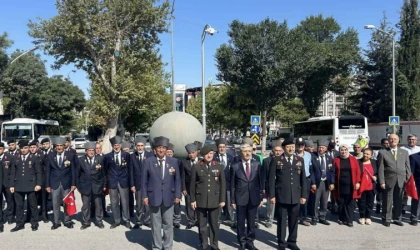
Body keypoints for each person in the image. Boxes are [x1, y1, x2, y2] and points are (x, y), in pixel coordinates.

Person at [142, 136, 181, 250]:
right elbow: (143, 180)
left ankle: (168, 246)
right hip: (153, 197)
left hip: (169, 197)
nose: (161, 150)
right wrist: (144, 196)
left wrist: (178, 195)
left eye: (163, 148)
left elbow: (177, 180)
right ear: (155, 149)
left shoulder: (174, 161)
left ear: (166, 149)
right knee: (156, 225)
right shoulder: (148, 162)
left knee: (168, 224)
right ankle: (157, 247)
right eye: (159, 147)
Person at [269, 138, 307, 250]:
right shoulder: (276, 160)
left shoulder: (299, 159)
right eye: (288, 147)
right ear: (283, 148)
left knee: (294, 221)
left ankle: (292, 242)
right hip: (281, 196)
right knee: (281, 221)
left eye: (292, 146)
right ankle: (281, 243)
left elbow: (303, 179)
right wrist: (272, 195)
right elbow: (271, 180)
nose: (290, 149)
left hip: (295, 196)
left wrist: (303, 195)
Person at [190, 145, 225, 250]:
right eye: (207, 154)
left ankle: (214, 245)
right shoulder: (197, 166)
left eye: (211, 153)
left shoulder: (218, 166)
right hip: (201, 200)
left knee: (214, 225)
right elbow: (192, 185)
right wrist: (192, 200)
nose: (209, 156)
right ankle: (204, 245)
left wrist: (222, 199)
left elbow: (223, 184)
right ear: (203, 155)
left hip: (214, 200)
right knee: (202, 225)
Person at [231, 142, 263, 250]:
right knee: (240, 221)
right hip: (240, 197)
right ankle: (242, 241)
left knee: (251, 221)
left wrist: (261, 198)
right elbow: (232, 185)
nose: (247, 153)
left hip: (253, 197)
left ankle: (250, 241)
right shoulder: (235, 166)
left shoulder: (257, 164)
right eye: (245, 151)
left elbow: (260, 182)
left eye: (249, 151)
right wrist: (232, 201)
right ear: (241, 153)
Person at [378, 134, 411, 227]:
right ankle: (386, 218)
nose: (393, 140)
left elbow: (408, 167)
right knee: (387, 200)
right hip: (388, 180)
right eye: (391, 139)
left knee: (399, 200)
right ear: (388, 140)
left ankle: (397, 218)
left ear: (398, 140)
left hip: (401, 180)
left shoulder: (404, 152)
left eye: (395, 139)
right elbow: (380, 168)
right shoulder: (383, 152)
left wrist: (408, 181)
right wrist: (382, 181)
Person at [9, 140, 42, 232]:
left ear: (28, 148)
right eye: (22, 148)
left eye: (26, 148)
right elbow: (12, 173)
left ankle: (34, 223)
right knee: (19, 206)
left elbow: (38, 172)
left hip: (31, 185)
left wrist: (38, 184)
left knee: (33, 205)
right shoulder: (16, 158)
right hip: (18, 185)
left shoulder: (34, 158)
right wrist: (11, 185)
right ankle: (19, 224)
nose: (24, 150)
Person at [45, 137, 77, 230]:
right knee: (55, 203)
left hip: (66, 183)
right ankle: (56, 222)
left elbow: (73, 171)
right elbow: (48, 171)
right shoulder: (51, 156)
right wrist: (47, 185)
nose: (59, 147)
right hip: (54, 183)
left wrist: (73, 183)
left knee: (66, 203)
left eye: (61, 146)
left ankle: (67, 221)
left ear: (64, 146)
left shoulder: (70, 155)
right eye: (57, 146)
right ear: (55, 147)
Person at [76, 142, 106, 229]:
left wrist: (104, 185)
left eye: (93, 150)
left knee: (98, 205)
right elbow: (77, 174)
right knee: (85, 206)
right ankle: (86, 222)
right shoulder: (81, 160)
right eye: (89, 150)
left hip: (97, 186)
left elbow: (103, 174)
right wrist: (79, 186)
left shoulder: (99, 159)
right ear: (86, 151)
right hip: (85, 186)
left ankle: (99, 221)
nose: (91, 152)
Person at [104, 135, 132, 229]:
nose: (116, 147)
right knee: (114, 202)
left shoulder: (126, 155)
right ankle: (116, 220)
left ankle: (126, 220)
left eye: (118, 145)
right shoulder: (107, 156)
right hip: (113, 182)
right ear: (112, 146)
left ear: (120, 145)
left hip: (124, 181)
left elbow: (129, 169)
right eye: (115, 145)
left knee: (125, 202)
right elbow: (105, 170)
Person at [333, 145, 361, 227]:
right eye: (342, 150)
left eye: (345, 150)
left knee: (350, 202)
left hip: (351, 185)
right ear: (339, 151)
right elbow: (333, 172)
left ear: (348, 150)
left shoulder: (353, 159)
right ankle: (341, 218)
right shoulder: (336, 160)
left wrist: (358, 182)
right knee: (341, 202)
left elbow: (358, 171)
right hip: (340, 185)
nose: (344, 151)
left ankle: (349, 220)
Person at [309, 139, 335, 226]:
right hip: (317, 182)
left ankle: (322, 217)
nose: (320, 149)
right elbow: (311, 171)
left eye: (322, 147)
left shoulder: (329, 158)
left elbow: (332, 172)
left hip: (326, 182)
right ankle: (314, 217)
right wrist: (312, 183)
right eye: (319, 147)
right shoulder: (313, 157)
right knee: (315, 201)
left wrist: (332, 182)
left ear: (326, 148)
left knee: (324, 201)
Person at [130, 136, 153, 229]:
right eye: (138, 146)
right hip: (138, 184)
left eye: (141, 145)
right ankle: (139, 221)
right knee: (139, 204)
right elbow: (130, 171)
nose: (140, 147)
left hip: (148, 184)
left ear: (145, 146)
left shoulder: (150, 155)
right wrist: (132, 185)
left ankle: (147, 220)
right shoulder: (132, 156)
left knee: (147, 204)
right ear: (135, 146)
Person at [213, 138, 235, 227]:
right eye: (220, 147)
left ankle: (230, 219)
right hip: (217, 184)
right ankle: (217, 219)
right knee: (218, 202)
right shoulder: (214, 158)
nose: (222, 149)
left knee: (229, 201)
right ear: (217, 148)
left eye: (223, 147)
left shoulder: (231, 157)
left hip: (228, 183)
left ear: (226, 147)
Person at [262, 139, 283, 228]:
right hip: (270, 185)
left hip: (281, 185)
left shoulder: (284, 160)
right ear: (273, 151)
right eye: (276, 150)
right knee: (271, 204)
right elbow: (263, 175)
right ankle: (269, 220)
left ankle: (280, 219)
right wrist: (263, 187)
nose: (277, 152)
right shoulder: (267, 161)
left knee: (281, 204)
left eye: (279, 151)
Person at [181, 143, 199, 229]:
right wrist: (183, 188)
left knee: (199, 204)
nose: (191, 155)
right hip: (188, 187)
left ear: (197, 152)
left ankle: (198, 220)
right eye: (190, 153)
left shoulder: (202, 161)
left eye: (193, 152)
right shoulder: (184, 162)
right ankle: (191, 221)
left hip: (199, 187)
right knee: (189, 203)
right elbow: (182, 176)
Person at [400, 134, 420, 214]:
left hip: (415, 174)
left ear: (416, 140)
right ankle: (403, 207)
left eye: (413, 139)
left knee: (415, 195)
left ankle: (414, 211)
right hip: (405, 172)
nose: (411, 141)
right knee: (405, 193)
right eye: (410, 139)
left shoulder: (419, 149)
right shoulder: (402, 149)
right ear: (407, 140)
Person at [295, 138, 312, 226]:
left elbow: (310, 168)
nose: (300, 146)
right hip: (295, 179)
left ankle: (303, 218)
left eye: (302, 145)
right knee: (295, 198)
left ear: (304, 146)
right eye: (298, 145)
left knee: (305, 199)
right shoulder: (293, 154)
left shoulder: (308, 155)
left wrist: (312, 182)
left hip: (306, 179)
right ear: (296, 146)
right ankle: (294, 217)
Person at [358, 148, 377, 225]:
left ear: (371, 155)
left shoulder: (375, 163)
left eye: (367, 154)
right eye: (364, 153)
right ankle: (362, 216)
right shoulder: (358, 162)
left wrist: (376, 177)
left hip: (371, 186)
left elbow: (379, 172)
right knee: (362, 202)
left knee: (370, 203)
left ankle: (368, 217)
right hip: (362, 186)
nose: (365, 155)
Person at [166, 143, 181, 228]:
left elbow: (179, 177)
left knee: (176, 205)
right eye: (168, 152)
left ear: (173, 152)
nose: (169, 153)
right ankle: (168, 220)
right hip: (166, 187)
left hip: (175, 186)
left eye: (170, 152)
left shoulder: (177, 161)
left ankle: (176, 220)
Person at [373, 138, 389, 214]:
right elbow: (375, 164)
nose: (386, 145)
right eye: (384, 143)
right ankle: (378, 206)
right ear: (381, 144)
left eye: (387, 143)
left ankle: (386, 207)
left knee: (387, 193)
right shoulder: (377, 152)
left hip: (388, 175)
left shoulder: (390, 152)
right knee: (379, 193)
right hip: (380, 174)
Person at [409, 148, 420, 226]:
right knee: (416, 200)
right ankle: (414, 218)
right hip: (418, 182)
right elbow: (411, 172)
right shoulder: (414, 157)